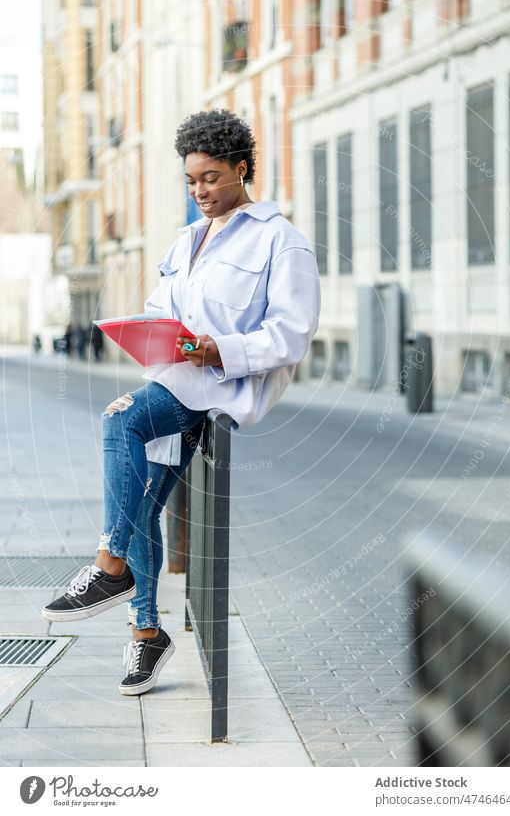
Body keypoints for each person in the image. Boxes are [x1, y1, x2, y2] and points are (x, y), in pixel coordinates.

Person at [42, 108, 321, 697]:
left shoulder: (280, 239)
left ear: (242, 168)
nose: (201, 192)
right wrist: (146, 334)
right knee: (140, 498)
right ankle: (146, 633)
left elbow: (292, 334)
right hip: (173, 378)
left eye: (212, 178)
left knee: (119, 422)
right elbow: (159, 308)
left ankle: (110, 565)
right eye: (192, 181)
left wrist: (222, 349)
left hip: (217, 388)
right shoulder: (186, 239)